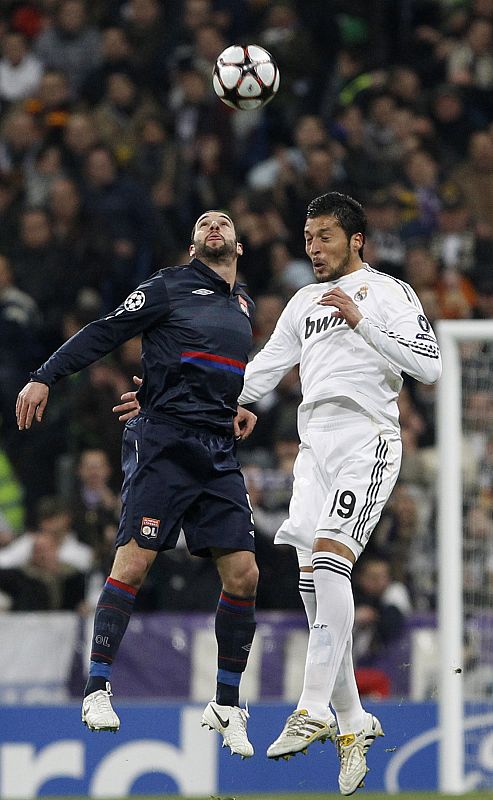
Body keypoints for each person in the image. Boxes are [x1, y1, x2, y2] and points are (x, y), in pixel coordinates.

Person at [112, 192, 442, 795]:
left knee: (330, 561)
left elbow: (431, 368)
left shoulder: (389, 292)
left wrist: (361, 321)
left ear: (356, 240)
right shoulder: (302, 302)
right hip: (313, 445)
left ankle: (313, 705)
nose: (312, 248)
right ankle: (352, 720)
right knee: (313, 580)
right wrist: (181, 398)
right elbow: (261, 368)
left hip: (367, 438)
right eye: (308, 238)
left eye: (324, 237)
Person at [15, 210, 258, 758]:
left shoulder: (243, 302)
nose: (213, 226)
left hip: (217, 449)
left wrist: (239, 404)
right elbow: (106, 331)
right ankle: (97, 687)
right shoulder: (168, 286)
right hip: (165, 443)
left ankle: (225, 702)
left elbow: (219, 368)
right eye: (202, 223)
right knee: (134, 561)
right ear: (194, 243)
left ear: (239, 246)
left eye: (222, 223)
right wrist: (43, 376)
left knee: (244, 575)